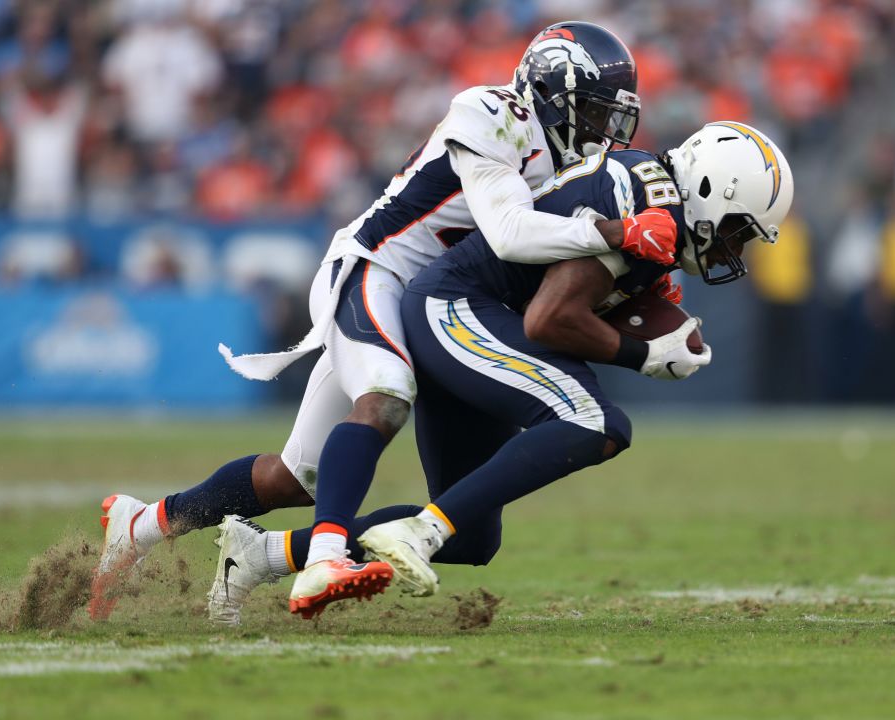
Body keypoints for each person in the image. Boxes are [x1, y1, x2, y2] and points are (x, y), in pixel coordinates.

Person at [91, 21, 673, 622]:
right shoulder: (492, 112)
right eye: (598, 112)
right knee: (386, 395)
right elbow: (509, 231)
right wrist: (613, 230)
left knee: (296, 479)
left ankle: (145, 524)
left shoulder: (566, 163)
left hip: (435, 298)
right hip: (378, 269)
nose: (607, 129)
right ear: (552, 91)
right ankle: (323, 559)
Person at [210, 121, 796, 616]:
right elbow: (547, 320)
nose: (732, 251)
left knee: (473, 537)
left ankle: (263, 554)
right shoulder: (649, 203)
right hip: (456, 310)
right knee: (598, 421)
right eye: (737, 230)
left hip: (468, 315)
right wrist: (640, 353)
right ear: (713, 190)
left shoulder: (649, 192)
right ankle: (417, 531)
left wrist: (631, 308)